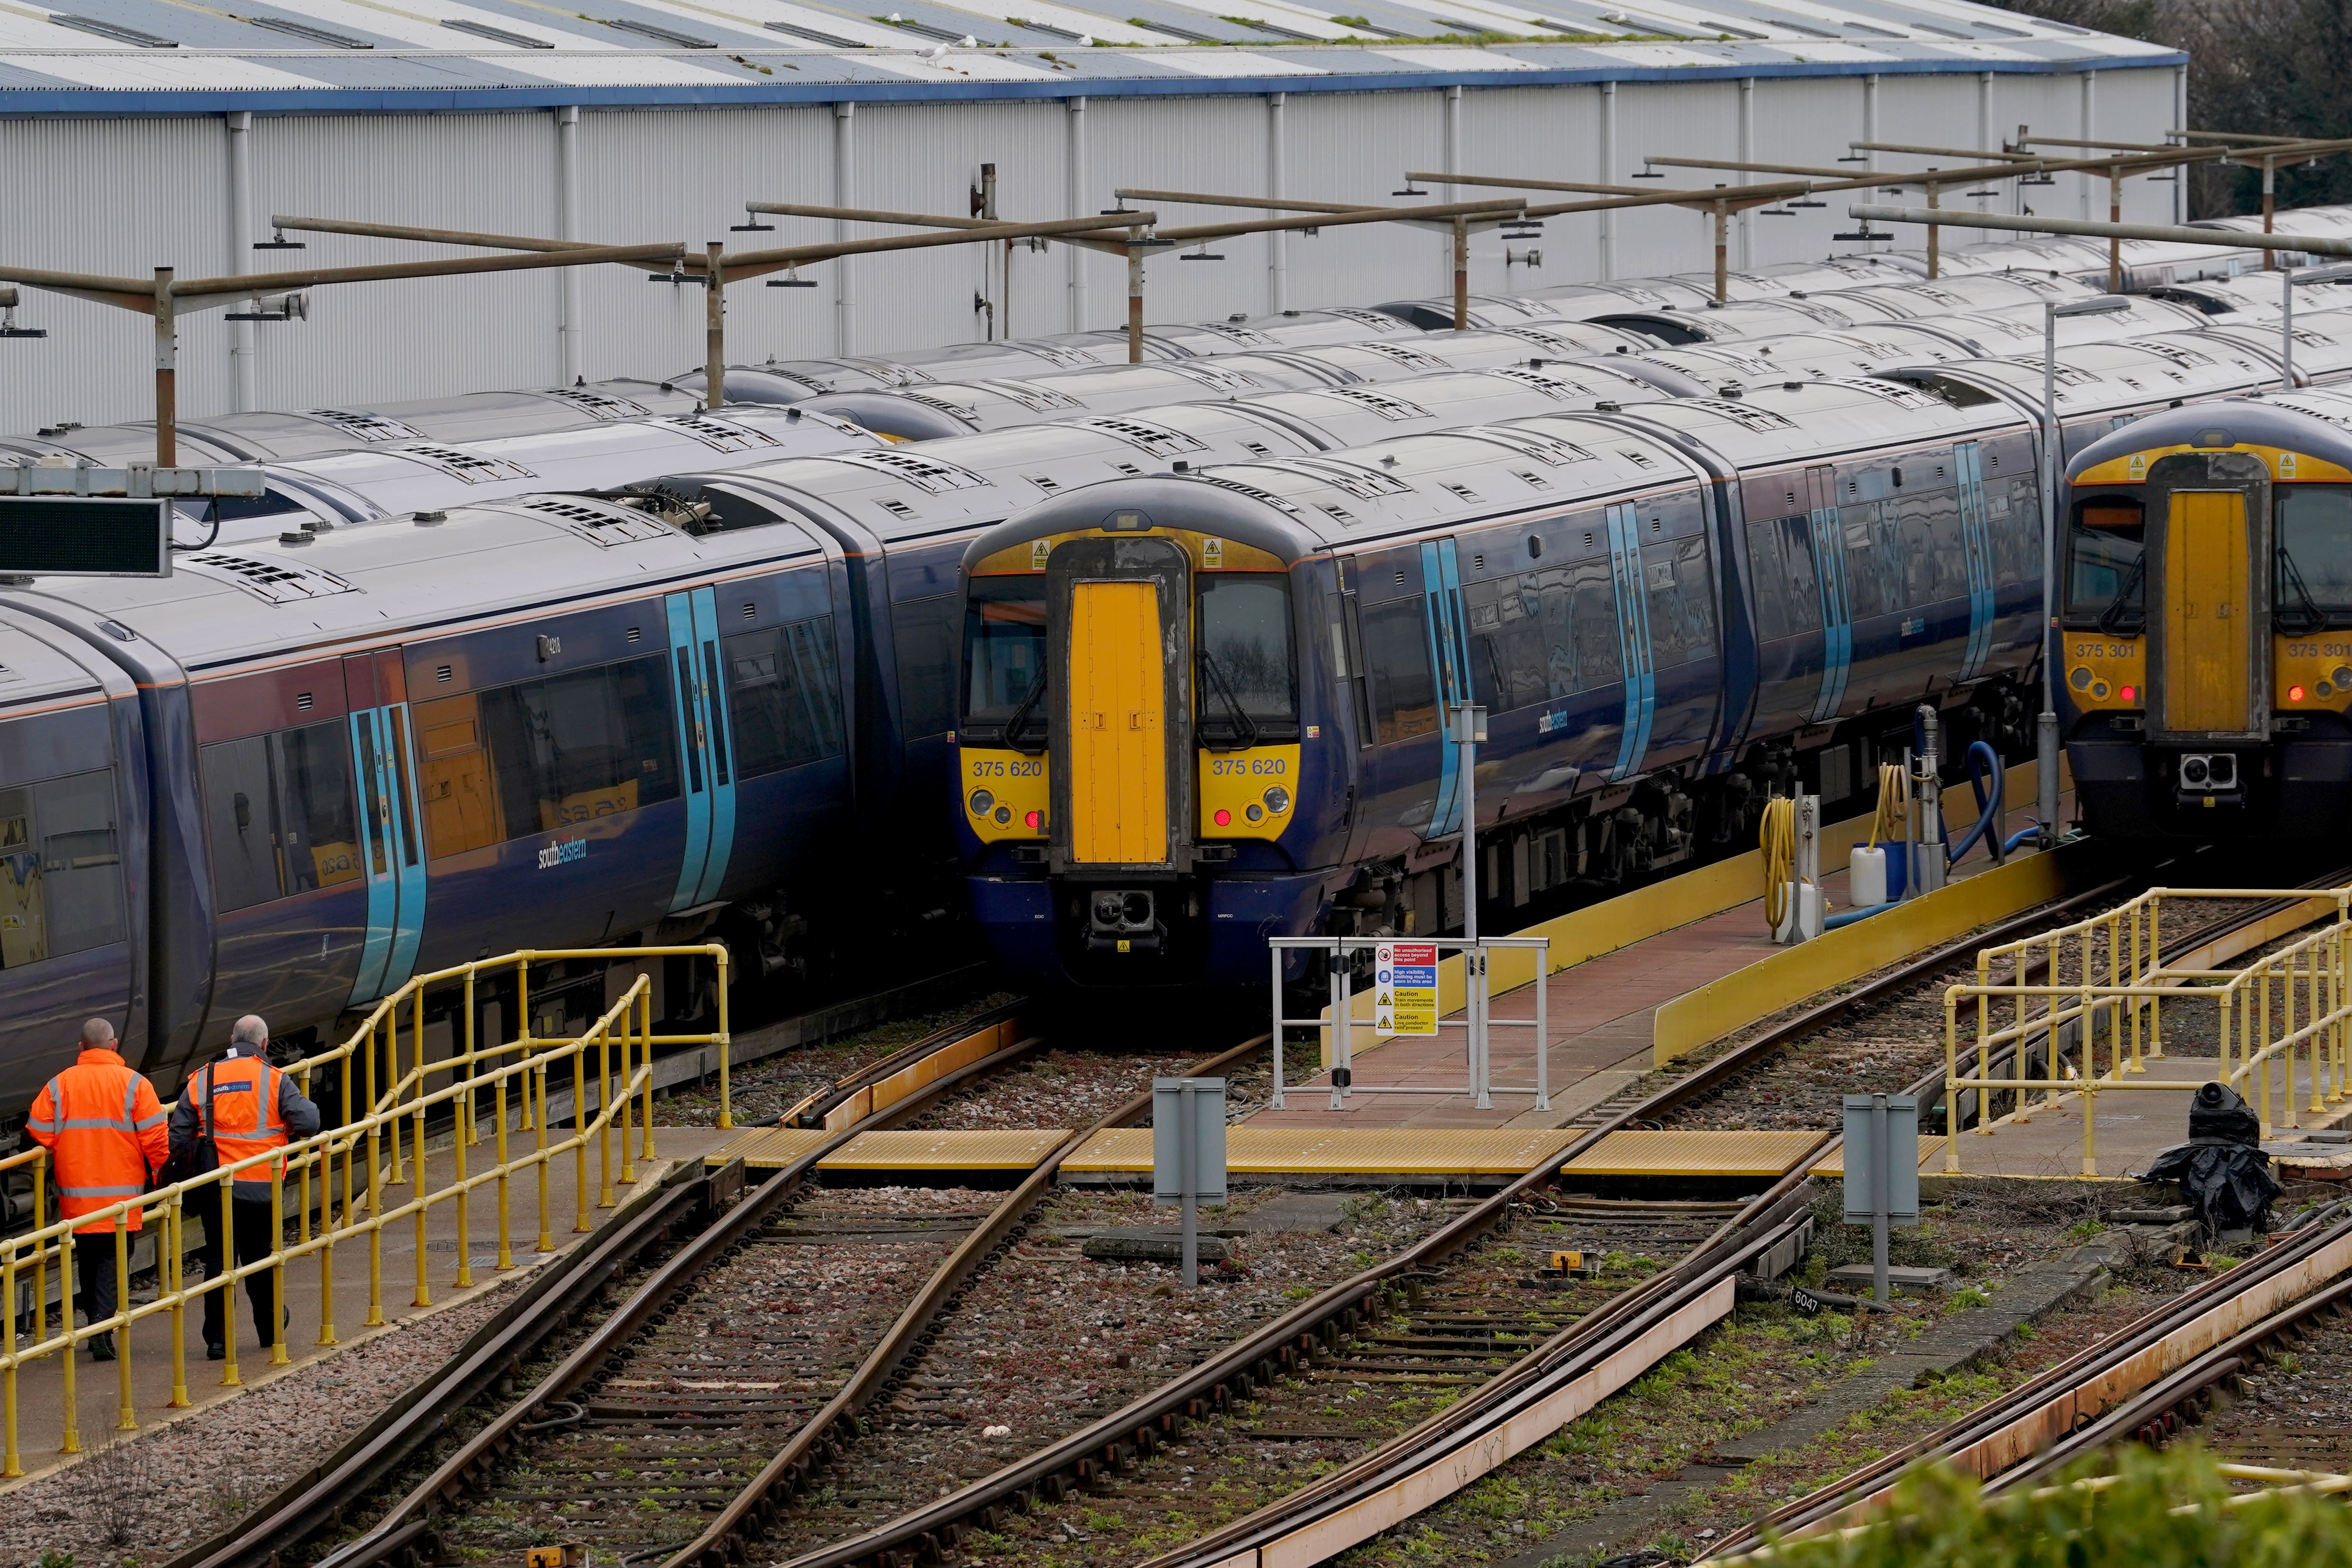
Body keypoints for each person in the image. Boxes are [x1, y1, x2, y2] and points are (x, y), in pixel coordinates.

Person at [169, 1015, 319, 1360]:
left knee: (219, 1262)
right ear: (265, 1045)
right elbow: (309, 1122)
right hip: (262, 1188)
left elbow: (178, 1136)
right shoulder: (275, 1079)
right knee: (259, 1258)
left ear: (231, 1039)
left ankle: (218, 1342)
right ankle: (268, 1331)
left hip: (216, 1188)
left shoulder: (203, 1078)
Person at [23, 1018, 170, 1362]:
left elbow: (38, 1130)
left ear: (81, 1048)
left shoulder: (59, 1085)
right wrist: (161, 1170)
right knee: (112, 1259)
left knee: (89, 1260)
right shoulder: (135, 1084)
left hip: (77, 1195)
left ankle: (95, 1326)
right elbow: (156, 1139)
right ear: (115, 1045)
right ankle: (101, 1329)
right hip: (122, 1196)